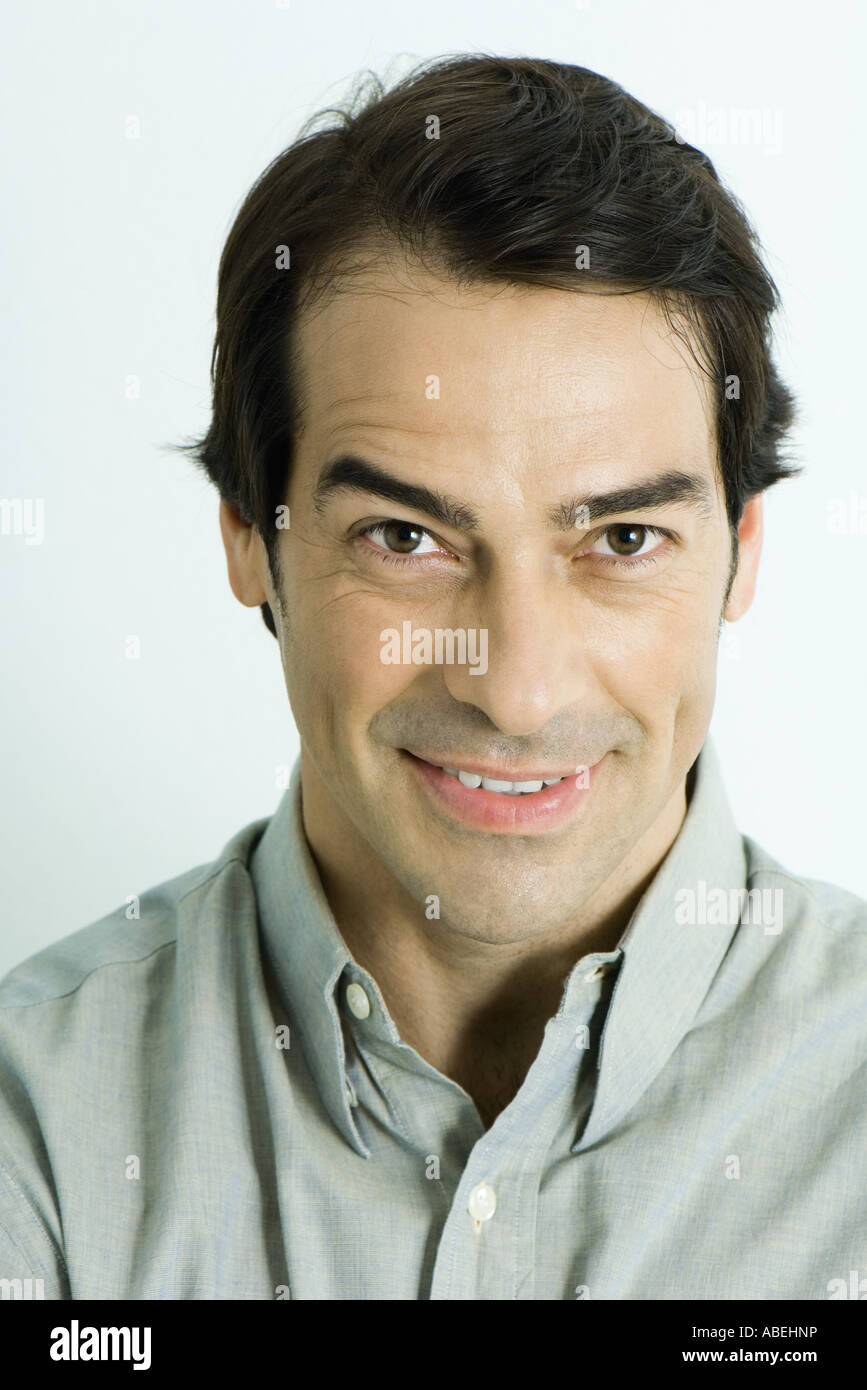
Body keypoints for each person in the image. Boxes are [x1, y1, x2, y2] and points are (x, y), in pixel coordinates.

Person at [2, 53, 864, 1302]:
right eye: (407, 539)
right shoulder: (36, 1127)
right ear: (249, 533)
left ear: (742, 549)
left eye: (622, 540)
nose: (515, 690)